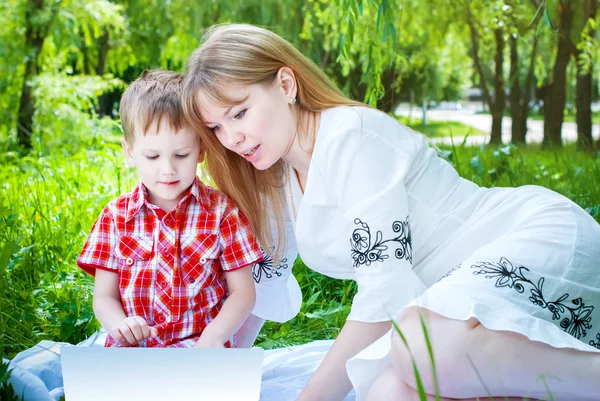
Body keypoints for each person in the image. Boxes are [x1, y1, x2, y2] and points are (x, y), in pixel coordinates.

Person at [180, 23, 600, 401]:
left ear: (286, 84)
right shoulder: (277, 173)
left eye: (240, 113)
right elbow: (266, 281)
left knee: (420, 348)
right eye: (216, 127)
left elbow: (386, 294)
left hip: (525, 234)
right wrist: (217, 366)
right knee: (387, 392)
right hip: (442, 306)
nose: (231, 137)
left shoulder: (350, 137)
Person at [77, 69, 264, 348]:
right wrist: (120, 325)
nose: (167, 170)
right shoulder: (115, 218)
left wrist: (215, 336)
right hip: (133, 349)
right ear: (129, 152)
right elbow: (104, 296)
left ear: (200, 150)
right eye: (152, 156)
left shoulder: (222, 213)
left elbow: (243, 292)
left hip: (198, 347)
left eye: (181, 155)